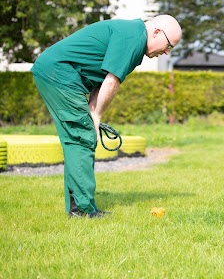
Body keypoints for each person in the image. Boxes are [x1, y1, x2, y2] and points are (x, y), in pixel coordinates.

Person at [31, 15, 182, 218]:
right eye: (169, 45)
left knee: (81, 137)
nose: (166, 52)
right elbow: (111, 82)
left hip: (60, 73)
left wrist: (93, 113)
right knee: (81, 138)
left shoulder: (134, 38)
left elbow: (101, 80)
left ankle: (82, 206)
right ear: (156, 33)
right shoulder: (133, 38)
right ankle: (82, 210)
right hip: (59, 73)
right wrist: (97, 116)